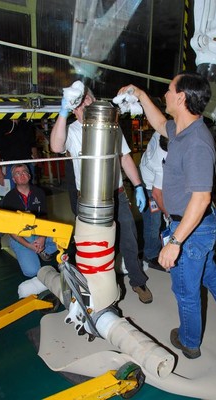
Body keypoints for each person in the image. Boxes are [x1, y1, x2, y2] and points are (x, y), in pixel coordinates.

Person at [118, 72, 216, 358]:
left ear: (180, 97)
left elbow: (202, 198)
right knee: (209, 273)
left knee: (185, 288)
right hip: (198, 227)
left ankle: (190, 342)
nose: (165, 94)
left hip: (192, 230)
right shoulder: (183, 130)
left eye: (168, 90)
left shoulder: (196, 144)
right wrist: (139, 94)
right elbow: (157, 122)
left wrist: (175, 242)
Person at [50, 83, 152, 304]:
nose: (85, 103)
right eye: (80, 101)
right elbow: (56, 147)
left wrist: (138, 186)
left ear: (94, 102)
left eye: (88, 99)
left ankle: (137, 281)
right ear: (74, 108)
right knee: (91, 246)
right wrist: (63, 112)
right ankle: (90, 286)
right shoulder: (72, 131)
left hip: (116, 196)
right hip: (87, 200)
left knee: (129, 240)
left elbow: (124, 157)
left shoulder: (111, 127)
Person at [0, 164, 57, 278]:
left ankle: (39, 249)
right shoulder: (8, 199)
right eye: (17, 173)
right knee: (32, 271)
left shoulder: (39, 193)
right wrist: (28, 245)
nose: (21, 175)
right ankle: (32, 250)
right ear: (13, 179)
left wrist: (42, 237)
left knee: (62, 238)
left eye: (24, 172)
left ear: (29, 176)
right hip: (20, 237)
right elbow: (11, 231)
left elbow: (44, 217)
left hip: (38, 232)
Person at [0, 119, 38, 252]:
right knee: (6, 206)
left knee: (28, 202)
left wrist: (35, 160)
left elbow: (32, 145)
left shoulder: (27, 124)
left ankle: (28, 233)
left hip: (27, 166)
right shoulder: (0, 125)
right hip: (9, 167)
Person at [139, 131, 168, 269]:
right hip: (150, 185)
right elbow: (157, 195)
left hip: (146, 170)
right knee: (153, 222)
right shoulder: (161, 163)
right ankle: (151, 255)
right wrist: (167, 213)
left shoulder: (160, 131)